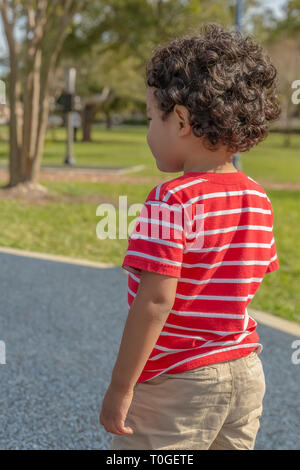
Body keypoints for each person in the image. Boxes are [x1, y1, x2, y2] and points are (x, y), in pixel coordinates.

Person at [99, 23, 281, 450]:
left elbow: (156, 302)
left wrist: (120, 388)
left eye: (149, 118)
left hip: (176, 384)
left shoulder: (170, 200)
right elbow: (248, 279)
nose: (147, 132)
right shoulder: (258, 197)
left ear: (180, 119)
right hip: (245, 373)